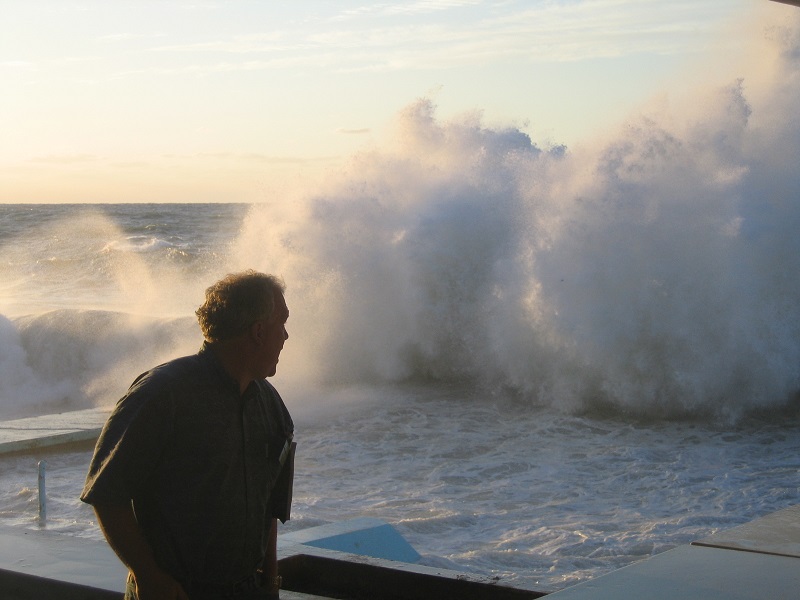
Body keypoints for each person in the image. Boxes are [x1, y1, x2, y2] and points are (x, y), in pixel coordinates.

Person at [81, 270, 295, 600]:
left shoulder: (270, 405)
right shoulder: (162, 394)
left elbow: (269, 504)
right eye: (281, 324)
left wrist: (270, 581)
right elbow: (108, 493)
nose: (286, 336)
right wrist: (148, 576)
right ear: (257, 331)